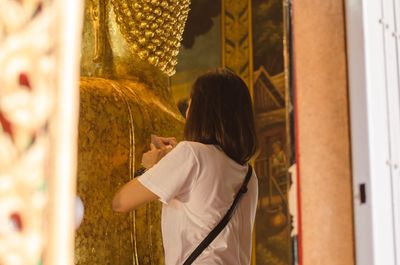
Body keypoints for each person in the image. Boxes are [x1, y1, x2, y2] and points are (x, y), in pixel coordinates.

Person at [112, 68, 259, 265]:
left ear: (203, 110)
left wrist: (149, 167)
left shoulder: (191, 153)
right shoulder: (249, 174)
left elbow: (120, 202)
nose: (187, 110)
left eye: (191, 103)